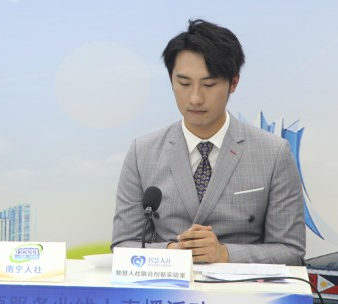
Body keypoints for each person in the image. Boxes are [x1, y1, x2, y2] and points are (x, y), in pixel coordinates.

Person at [112, 19, 305, 265]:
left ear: (233, 83)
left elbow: (291, 251)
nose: (195, 98)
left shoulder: (274, 153)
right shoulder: (142, 152)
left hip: (242, 287)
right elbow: (123, 244)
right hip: (167, 285)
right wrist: (171, 252)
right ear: (171, 80)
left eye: (209, 84)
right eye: (184, 83)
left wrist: (225, 254)